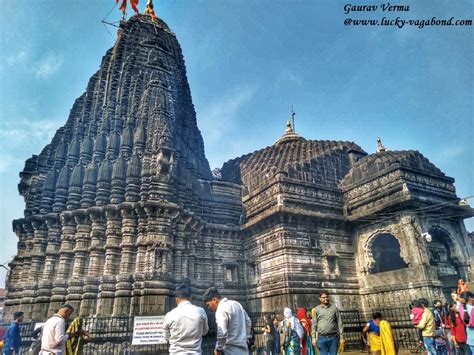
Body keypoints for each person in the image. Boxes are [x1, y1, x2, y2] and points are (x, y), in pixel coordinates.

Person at [203, 287, 252, 355]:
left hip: (230, 350)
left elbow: (222, 332)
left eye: (208, 304)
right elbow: (248, 322)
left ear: (214, 300)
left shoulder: (221, 309)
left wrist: (218, 348)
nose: (209, 308)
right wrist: (245, 338)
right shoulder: (236, 304)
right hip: (244, 349)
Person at [163, 283, 209, 354]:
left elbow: (166, 337)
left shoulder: (169, 315)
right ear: (190, 298)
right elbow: (204, 332)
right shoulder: (200, 311)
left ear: (177, 300)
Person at [311, 291, 344, 355]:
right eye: (323, 297)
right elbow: (314, 324)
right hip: (321, 338)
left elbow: (340, 322)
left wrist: (342, 338)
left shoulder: (334, 308)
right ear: (320, 299)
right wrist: (313, 338)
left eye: (327, 297)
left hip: (333, 337)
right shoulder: (316, 309)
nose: (325, 299)